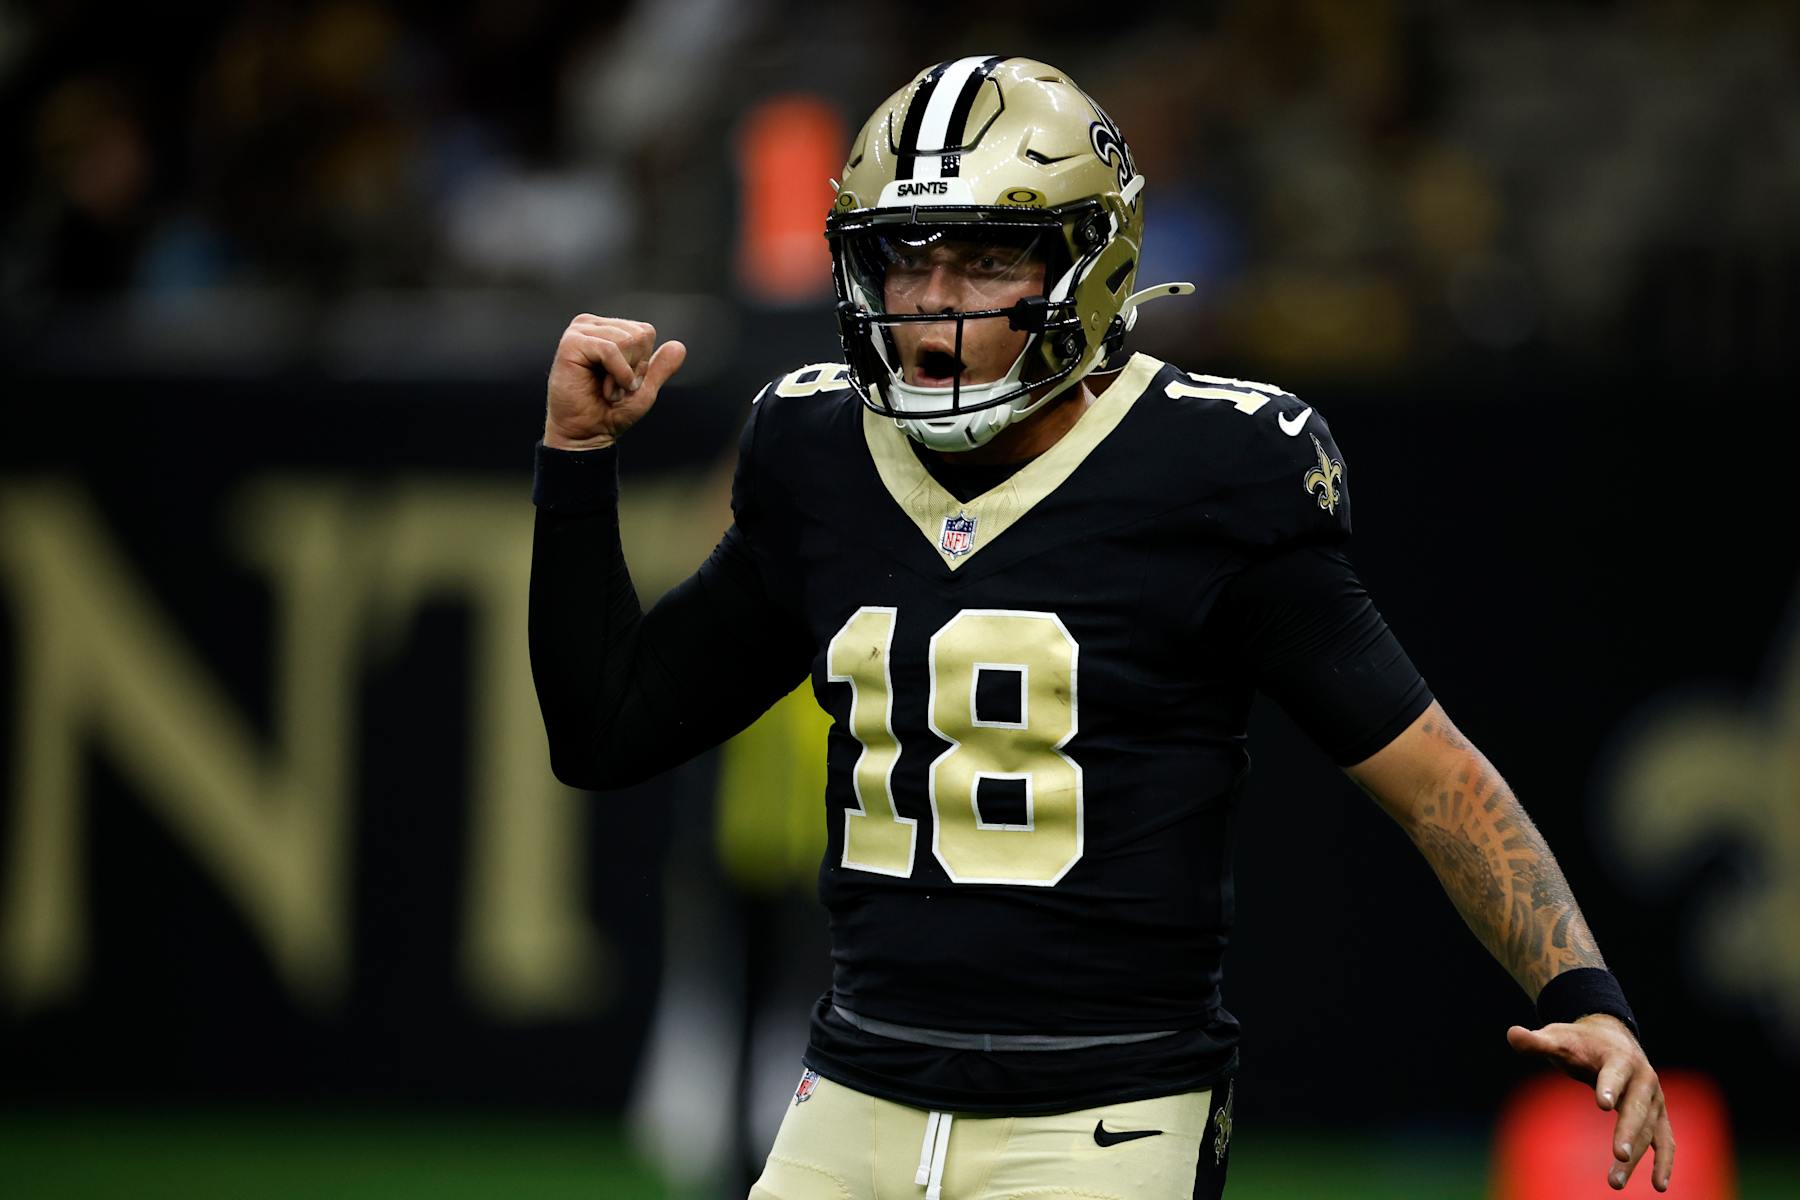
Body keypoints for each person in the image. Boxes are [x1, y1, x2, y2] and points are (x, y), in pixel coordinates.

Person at [529, 56, 1674, 1199]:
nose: (934, 303)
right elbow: (607, 729)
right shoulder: (817, 452)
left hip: (1104, 1113)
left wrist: (1581, 992)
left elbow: (1434, 781)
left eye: (988, 258)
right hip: (852, 1094)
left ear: (1090, 265)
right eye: (904, 257)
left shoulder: (1208, 472)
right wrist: (576, 463)